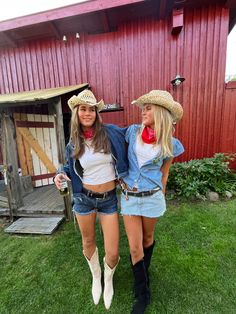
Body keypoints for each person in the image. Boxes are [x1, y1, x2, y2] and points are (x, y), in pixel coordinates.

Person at [54, 89, 128, 309]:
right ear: (77, 113)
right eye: (83, 109)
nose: (87, 113)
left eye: (91, 109)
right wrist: (60, 173)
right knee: (88, 242)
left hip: (108, 201)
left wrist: (158, 128)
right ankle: (97, 277)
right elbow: (69, 167)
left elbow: (133, 136)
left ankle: (109, 279)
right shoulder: (73, 143)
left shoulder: (111, 133)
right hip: (84, 199)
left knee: (113, 253)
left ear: (97, 112)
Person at [120, 90, 184, 314]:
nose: (143, 112)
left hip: (152, 198)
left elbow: (164, 174)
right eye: (143, 107)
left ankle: (143, 276)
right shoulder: (131, 133)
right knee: (135, 246)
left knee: (148, 239)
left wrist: (161, 196)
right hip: (129, 196)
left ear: (160, 112)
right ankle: (143, 293)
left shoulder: (171, 144)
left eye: (148, 108)